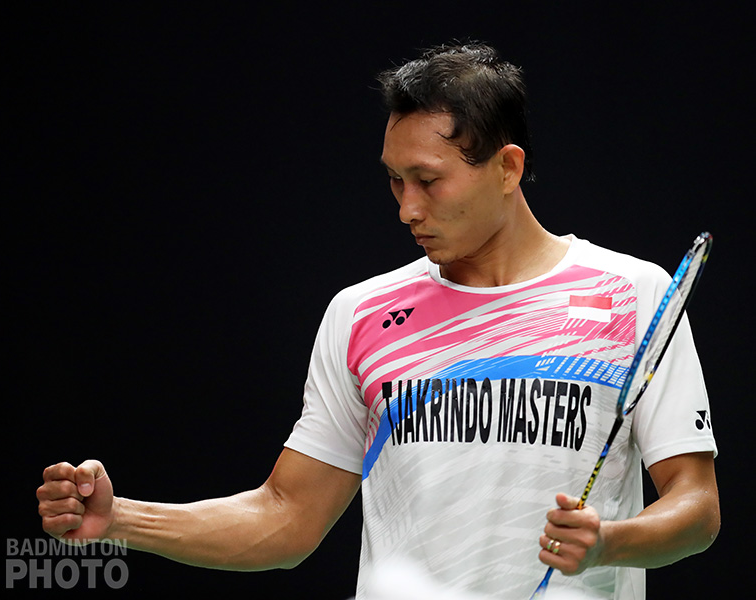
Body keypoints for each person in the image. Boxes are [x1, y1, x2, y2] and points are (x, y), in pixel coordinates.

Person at [37, 42, 719, 599]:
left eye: (428, 180)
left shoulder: (631, 294)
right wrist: (120, 519)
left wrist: (608, 541)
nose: (406, 208)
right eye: (395, 179)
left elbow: (696, 508)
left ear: (507, 167)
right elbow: (286, 517)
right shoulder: (361, 314)